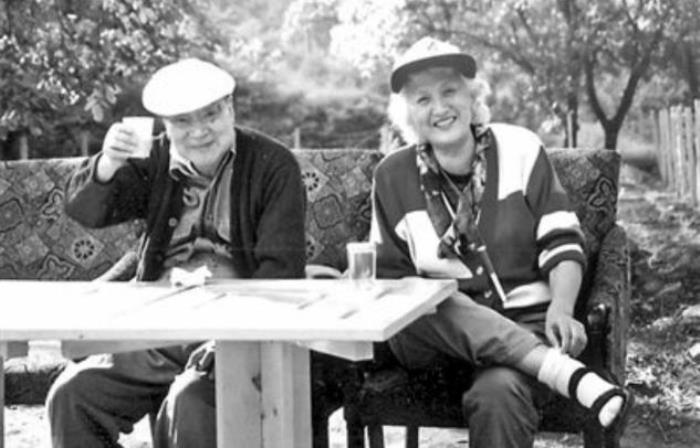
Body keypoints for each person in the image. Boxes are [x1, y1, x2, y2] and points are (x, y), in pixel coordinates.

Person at [370, 37, 634, 448]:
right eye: (423, 99)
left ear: (472, 97)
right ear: (409, 114)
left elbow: (563, 241)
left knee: (499, 396)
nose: (439, 108)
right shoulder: (391, 176)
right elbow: (389, 280)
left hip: (525, 326)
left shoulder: (520, 148)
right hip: (436, 348)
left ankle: (541, 363)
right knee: (423, 298)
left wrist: (563, 307)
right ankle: (567, 375)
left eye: (450, 91)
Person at [47, 58, 315, 447]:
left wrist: (229, 339)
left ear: (230, 108)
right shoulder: (152, 157)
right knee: (72, 395)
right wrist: (107, 164)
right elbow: (85, 210)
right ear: (166, 125)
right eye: (183, 121)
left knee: (190, 401)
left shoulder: (273, 164)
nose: (199, 131)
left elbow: (281, 271)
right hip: (157, 330)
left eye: (211, 114)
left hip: (234, 332)